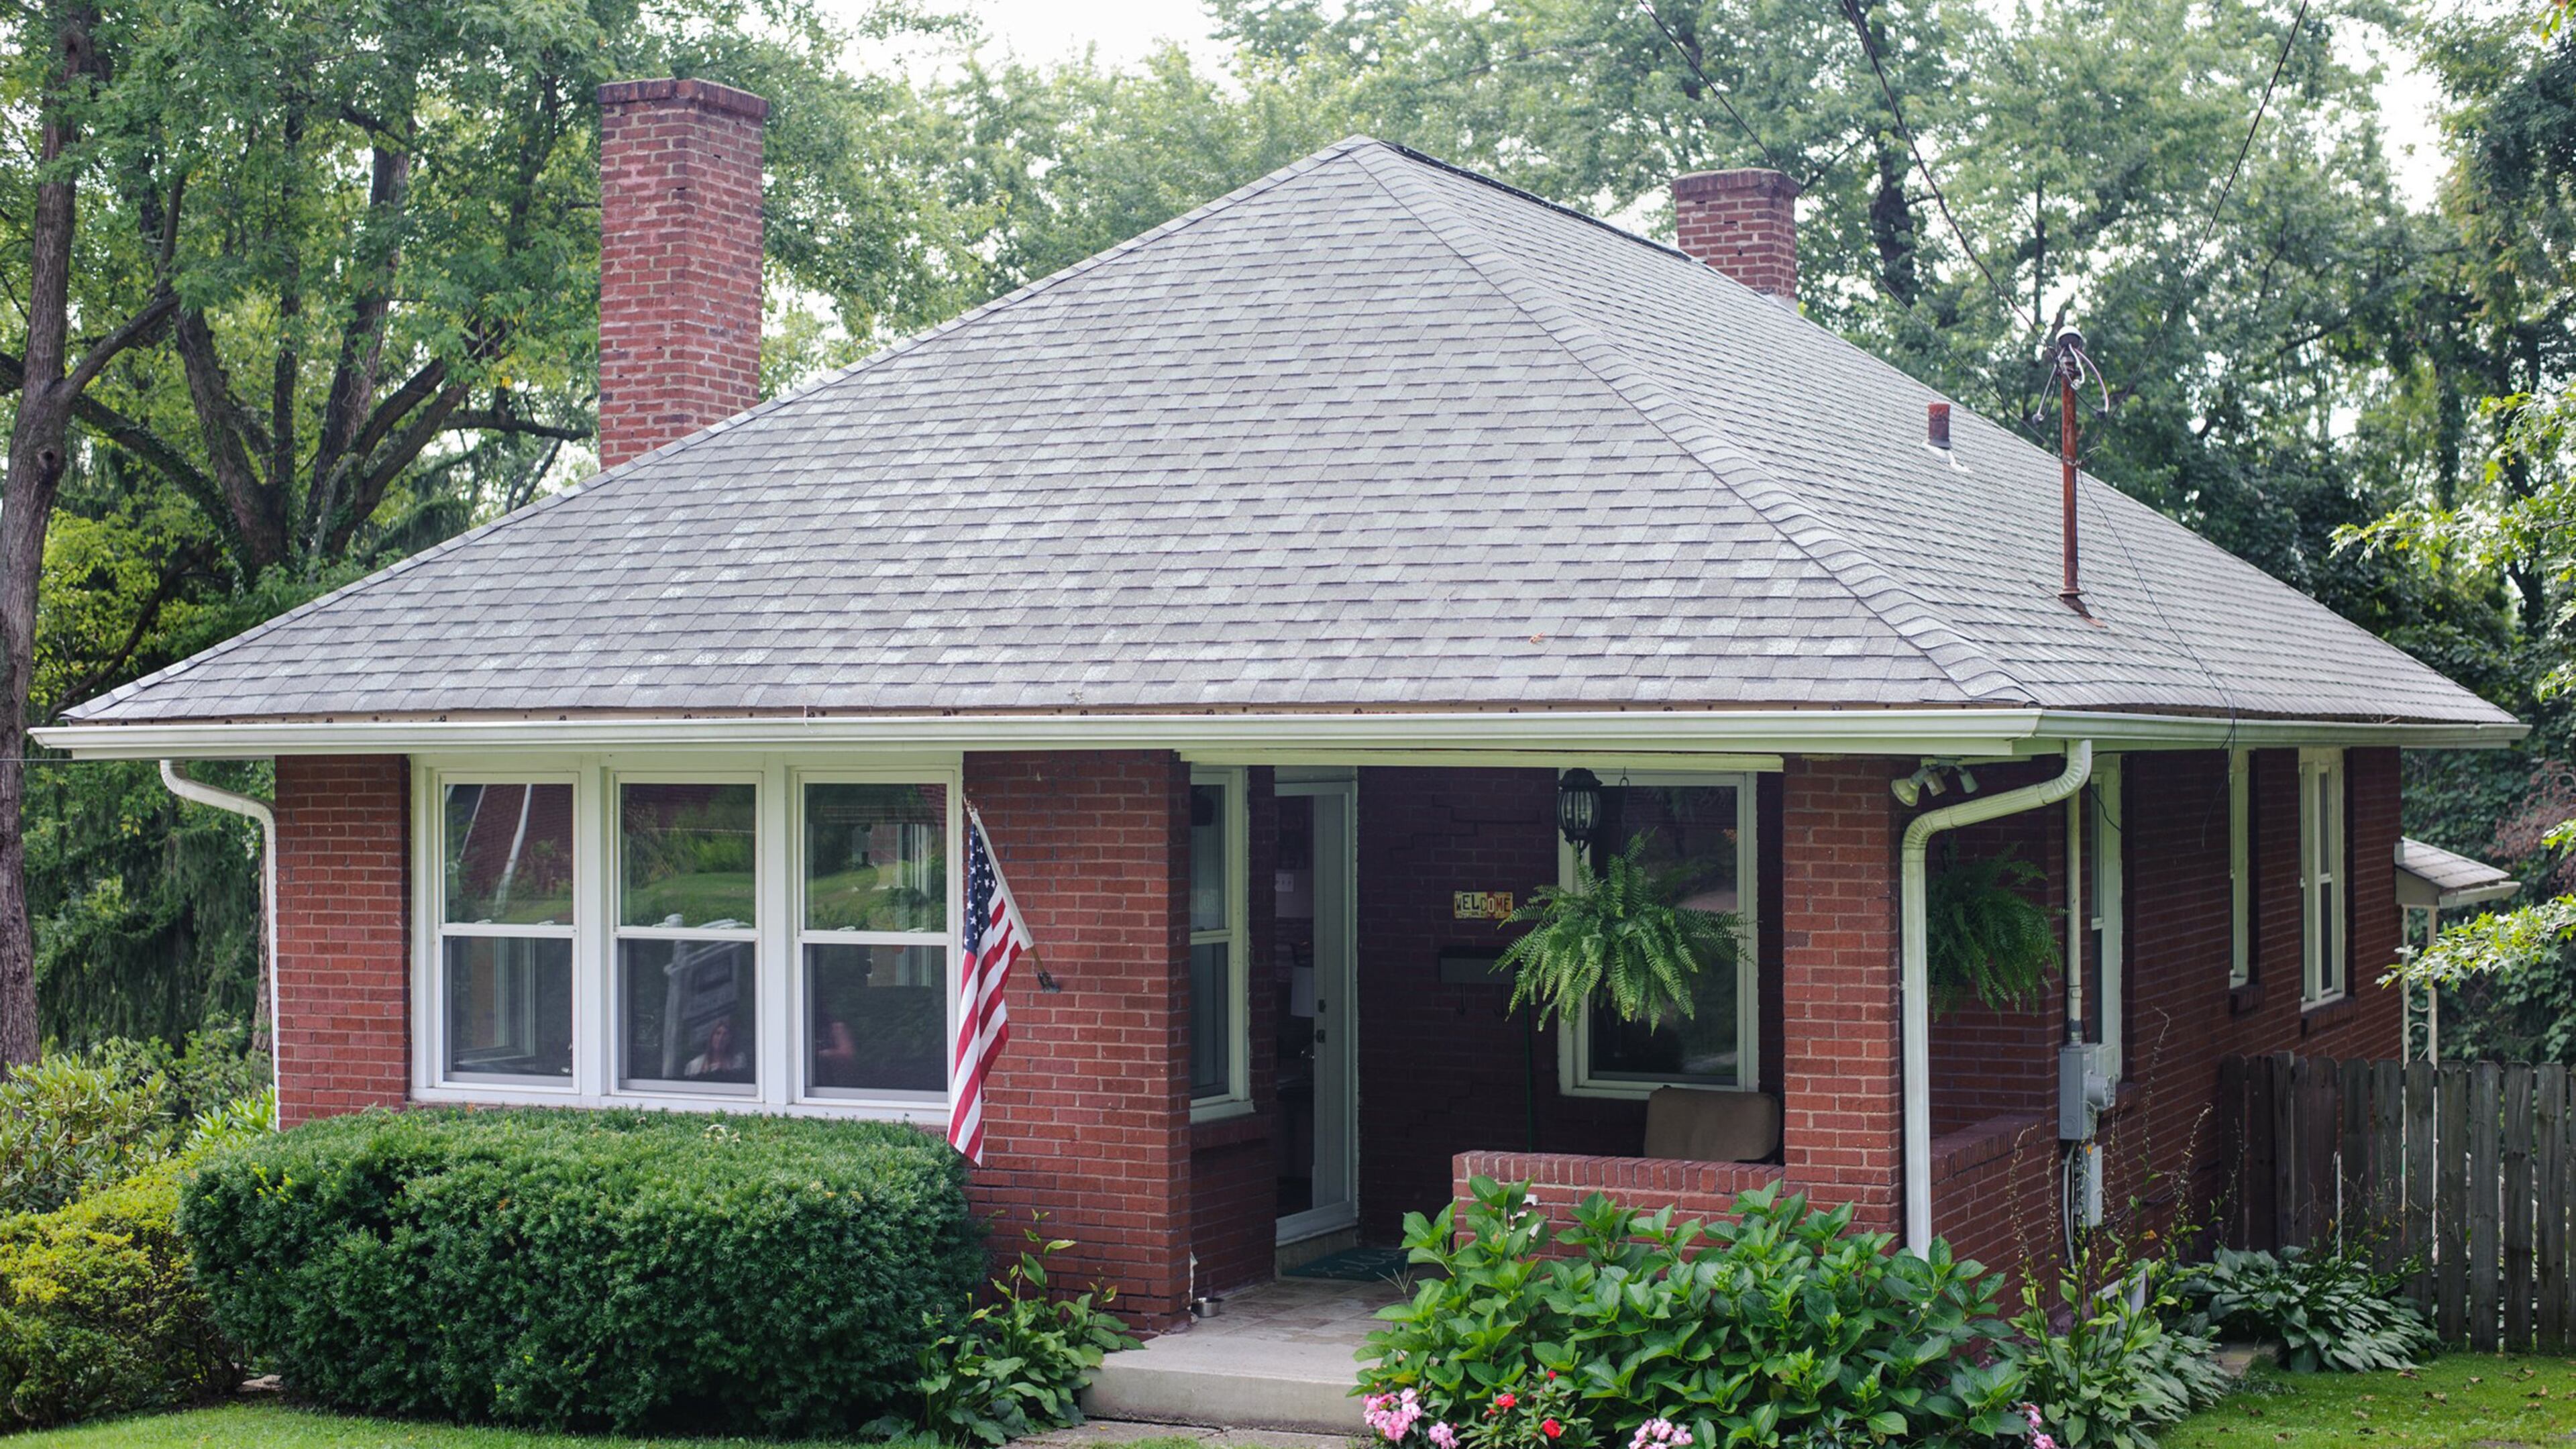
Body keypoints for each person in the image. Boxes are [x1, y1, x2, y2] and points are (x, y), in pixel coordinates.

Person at [684, 1018, 749, 1079]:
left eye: (725, 1034)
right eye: (718, 1033)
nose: (721, 1038)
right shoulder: (695, 1065)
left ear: (730, 1039)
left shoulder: (738, 1061)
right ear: (712, 1037)